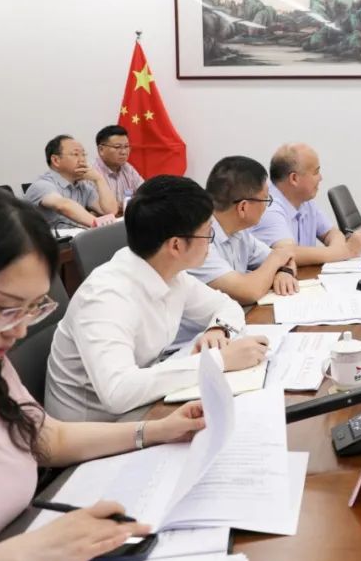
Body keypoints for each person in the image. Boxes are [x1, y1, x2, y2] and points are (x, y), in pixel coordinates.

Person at [0, 187, 207, 561]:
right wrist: (26, 552)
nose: (19, 331)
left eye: (33, 308)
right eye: (5, 309)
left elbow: (46, 437)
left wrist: (156, 431)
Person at [45, 176, 269, 422]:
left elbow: (225, 305)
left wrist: (218, 329)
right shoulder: (105, 297)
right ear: (176, 246)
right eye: (207, 234)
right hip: (97, 427)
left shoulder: (170, 273)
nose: (210, 242)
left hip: (143, 406)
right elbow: (118, 392)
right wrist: (218, 361)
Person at [189, 156, 299, 305]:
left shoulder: (240, 232)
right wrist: (276, 259)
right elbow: (249, 291)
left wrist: (284, 272)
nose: (267, 206)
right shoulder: (198, 240)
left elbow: (287, 257)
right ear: (243, 207)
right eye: (265, 199)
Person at [250, 143, 361, 266]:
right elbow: (287, 253)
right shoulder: (268, 207)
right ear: (294, 179)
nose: (320, 178)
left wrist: (339, 251)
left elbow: (331, 233)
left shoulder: (305, 200)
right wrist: (347, 251)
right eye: (316, 172)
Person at [24, 135, 117, 230]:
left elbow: (110, 211)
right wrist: (100, 225)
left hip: (77, 237)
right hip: (50, 239)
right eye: (76, 154)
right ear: (56, 160)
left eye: (83, 154)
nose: (82, 159)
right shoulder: (42, 185)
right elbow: (64, 206)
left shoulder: (82, 186)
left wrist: (99, 179)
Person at [93, 125, 144, 214]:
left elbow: (145, 193)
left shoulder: (128, 168)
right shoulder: (91, 173)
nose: (124, 152)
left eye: (126, 146)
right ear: (101, 150)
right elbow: (98, 209)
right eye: (117, 147)